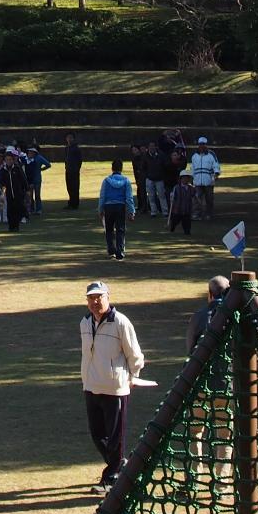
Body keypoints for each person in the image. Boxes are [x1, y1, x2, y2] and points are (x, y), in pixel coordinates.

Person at [80, 282, 144, 492]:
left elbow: (134, 354)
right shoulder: (85, 322)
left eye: (99, 297)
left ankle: (112, 476)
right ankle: (120, 464)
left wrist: (133, 376)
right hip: (91, 386)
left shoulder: (120, 322)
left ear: (108, 297)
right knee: (97, 434)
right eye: (91, 298)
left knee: (115, 435)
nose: (95, 302)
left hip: (115, 388)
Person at [97, 158, 136, 261]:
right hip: (120, 207)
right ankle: (120, 252)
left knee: (109, 229)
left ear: (112, 168)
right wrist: (131, 211)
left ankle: (111, 249)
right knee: (120, 229)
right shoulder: (126, 181)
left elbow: (102, 196)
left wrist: (100, 209)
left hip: (108, 207)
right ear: (121, 168)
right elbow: (129, 198)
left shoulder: (106, 181)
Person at [188, 138, 221, 219]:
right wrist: (191, 177)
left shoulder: (211, 154)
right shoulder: (194, 156)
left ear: (206, 145)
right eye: (200, 144)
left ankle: (209, 213)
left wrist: (216, 174)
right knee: (197, 198)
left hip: (208, 180)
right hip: (198, 180)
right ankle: (197, 213)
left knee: (209, 198)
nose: (202, 146)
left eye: (203, 144)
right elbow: (192, 167)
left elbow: (216, 165)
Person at [64, 135, 84, 208]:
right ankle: (71, 202)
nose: (69, 139)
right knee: (69, 187)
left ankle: (75, 203)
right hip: (68, 170)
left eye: (71, 138)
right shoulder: (66, 148)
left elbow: (80, 160)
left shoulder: (76, 149)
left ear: (73, 139)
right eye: (68, 138)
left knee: (75, 187)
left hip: (74, 170)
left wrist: (77, 168)